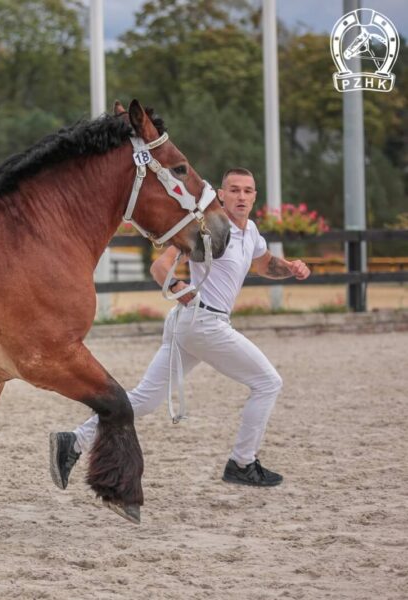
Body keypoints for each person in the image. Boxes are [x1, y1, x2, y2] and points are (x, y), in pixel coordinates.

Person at [50, 167, 311, 490]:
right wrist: (176, 286)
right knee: (268, 382)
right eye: (234, 190)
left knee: (145, 400)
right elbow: (159, 267)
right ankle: (243, 462)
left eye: (247, 190)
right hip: (203, 323)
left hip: (193, 326)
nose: (241, 196)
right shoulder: (206, 228)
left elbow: (264, 264)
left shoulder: (251, 231)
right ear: (221, 194)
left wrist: (292, 269)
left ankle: (73, 441)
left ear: (255, 196)